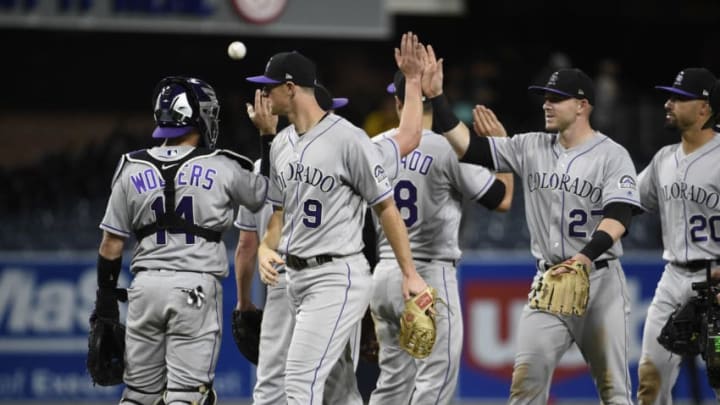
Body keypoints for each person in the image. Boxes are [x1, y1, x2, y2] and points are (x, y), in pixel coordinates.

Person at [431, 66, 643, 404]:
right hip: (549, 284)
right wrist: (437, 98)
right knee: (524, 388)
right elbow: (469, 148)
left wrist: (584, 258)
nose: (547, 104)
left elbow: (619, 215)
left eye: (556, 99)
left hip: (599, 284)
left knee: (614, 392)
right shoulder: (530, 146)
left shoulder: (611, 155)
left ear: (582, 105)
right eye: (545, 98)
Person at [245, 32, 429, 405]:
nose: (263, 95)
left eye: (270, 87)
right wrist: (266, 247)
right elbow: (279, 214)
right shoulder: (280, 143)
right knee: (338, 389)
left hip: (336, 275)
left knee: (297, 384)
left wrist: (409, 273)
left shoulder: (351, 140)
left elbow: (387, 208)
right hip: (294, 277)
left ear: (291, 87)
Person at [93, 76, 268, 405]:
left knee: (139, 395)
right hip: (195, 289)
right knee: (187, 396)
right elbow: (267, 193)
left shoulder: (130, 167)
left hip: (144, 289)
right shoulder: (223, 166)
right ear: (197, 115)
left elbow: (110, 246)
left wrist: (105, 308)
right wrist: (268, 136)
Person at [368, 60, 514, 404]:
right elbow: (501, 199)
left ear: (399, 102)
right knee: (436, 379)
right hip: (430, 275)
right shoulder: (450, 147)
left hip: (384, 273)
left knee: (391, 384)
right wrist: (501, 149)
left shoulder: (374, 146)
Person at [233, 83, 359, 405]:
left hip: (279, 283)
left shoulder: (259, 169)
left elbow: (247, 246)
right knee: (336, 384)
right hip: (330, 279)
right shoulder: (341, 161)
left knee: (273, 383)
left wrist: (244, 302)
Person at [635, 67, 719, 405]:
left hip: (717, 282)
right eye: (669, 96)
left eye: (679, 98)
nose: (668, 103)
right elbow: (625, 202)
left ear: (704, 107)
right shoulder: (663, 159)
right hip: (673, 279)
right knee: (650, 382)